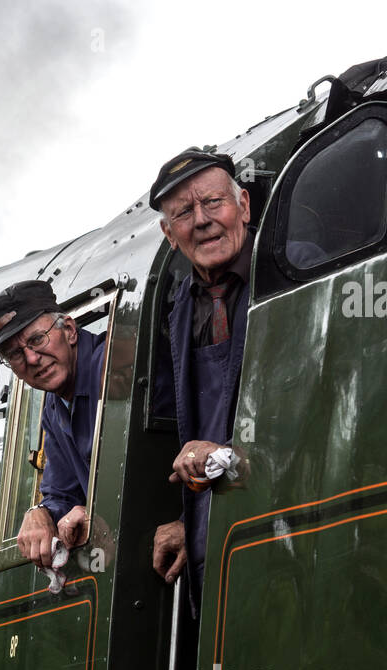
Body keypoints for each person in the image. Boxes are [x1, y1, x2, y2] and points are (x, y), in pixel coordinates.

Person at [146, 149, 253, 602]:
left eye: (213, 202)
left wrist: (229, 453)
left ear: (243, 206)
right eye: (185, 213)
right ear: (170, 235)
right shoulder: (179, 309)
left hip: (279, 517)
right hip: (215, 533)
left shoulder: (294, 270)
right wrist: (189, 522)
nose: (203, 220)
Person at [0, 280, 105, 568]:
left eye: (36, 340)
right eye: (15, 355)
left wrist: (95, 511)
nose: (32, 358)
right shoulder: (54, 405)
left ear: (69, 330)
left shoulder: (113, 369)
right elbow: (62, 491)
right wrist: (41, 511)